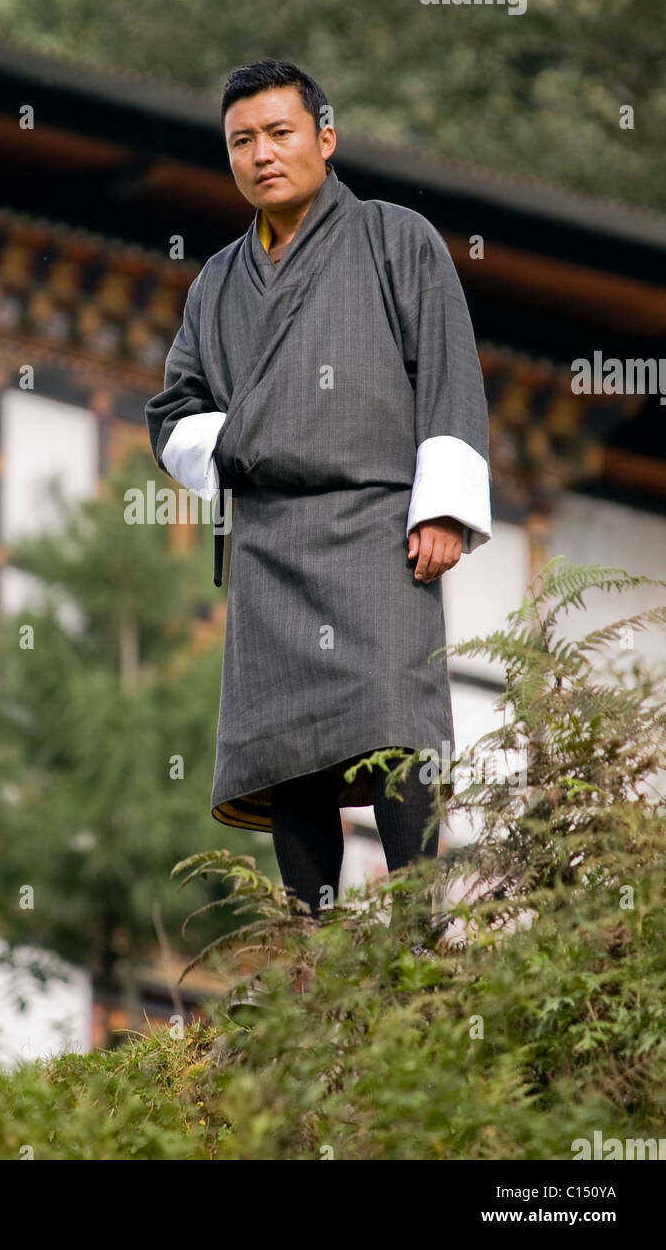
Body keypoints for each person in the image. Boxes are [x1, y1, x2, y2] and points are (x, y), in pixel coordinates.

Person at [145, 59, 492, 937]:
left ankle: (420, 935)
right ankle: (309, 950)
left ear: (324, 137)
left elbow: (446, 371)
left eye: (278, 133)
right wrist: (237, 445)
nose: (261, 155)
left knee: (397, 725)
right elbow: (173, 412)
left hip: (375, 525)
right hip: (268, 538)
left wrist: (441, 505)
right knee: (287, 751)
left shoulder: (393, 238)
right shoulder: (216, 283)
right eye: (241, 142)